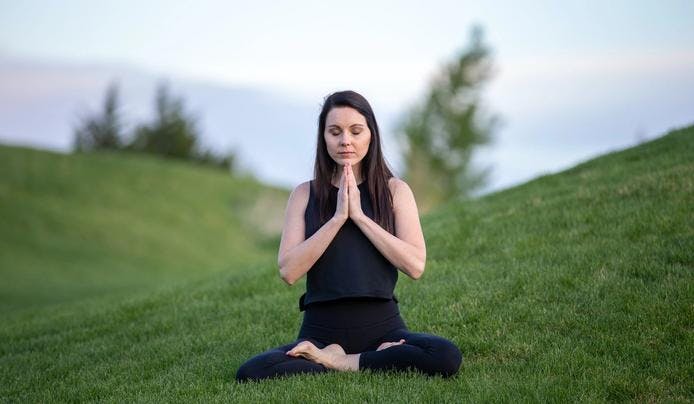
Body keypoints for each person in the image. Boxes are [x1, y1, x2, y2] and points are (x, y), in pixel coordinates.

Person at [235, 90, 462, 382]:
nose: (346, 141)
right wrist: (339, 217)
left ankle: (339, 361)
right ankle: (347, 356)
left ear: (371, 135)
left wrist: (360, 217)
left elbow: (415, 265)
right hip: (320, 332)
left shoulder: (395, 191)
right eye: (335, 132)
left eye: (356, 131)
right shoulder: (303, 194)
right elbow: (288, 271)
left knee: (444, 355)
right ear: (324, 137)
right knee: (251, 372)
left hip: (384, 329)